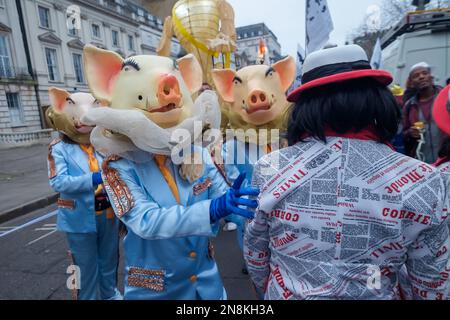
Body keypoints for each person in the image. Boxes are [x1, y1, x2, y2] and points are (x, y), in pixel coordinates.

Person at [244, 45, 450, 300]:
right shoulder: (425, 179)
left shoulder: (269, 167)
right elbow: (432, 284)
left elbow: (256, 256)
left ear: (303, 106)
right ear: (377, 99)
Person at [82, 45, 259, 300]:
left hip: (207, 287)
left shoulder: (196, 153)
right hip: (156, 291)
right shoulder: (118, 165)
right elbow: (146, 220)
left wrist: (254, 210)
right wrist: (212, 210)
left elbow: (224, 195)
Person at [46, 88, 121, 300]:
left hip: (107, 214)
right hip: (79, 218)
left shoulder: (104, 143)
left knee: (109, 261)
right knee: (85, 267)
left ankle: (110, 295)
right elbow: (58, 181)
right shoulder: (58, 148)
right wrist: (94, 179)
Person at [403, 62, 443, 163]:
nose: (421, 77)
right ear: (411, 83)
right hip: (424, 163)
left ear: (431, 77)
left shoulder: (446, 97)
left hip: (446, 158)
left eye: (425, 73)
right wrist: (410, 133)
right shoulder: (409, 106)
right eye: (416, 76)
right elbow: (403, 132)